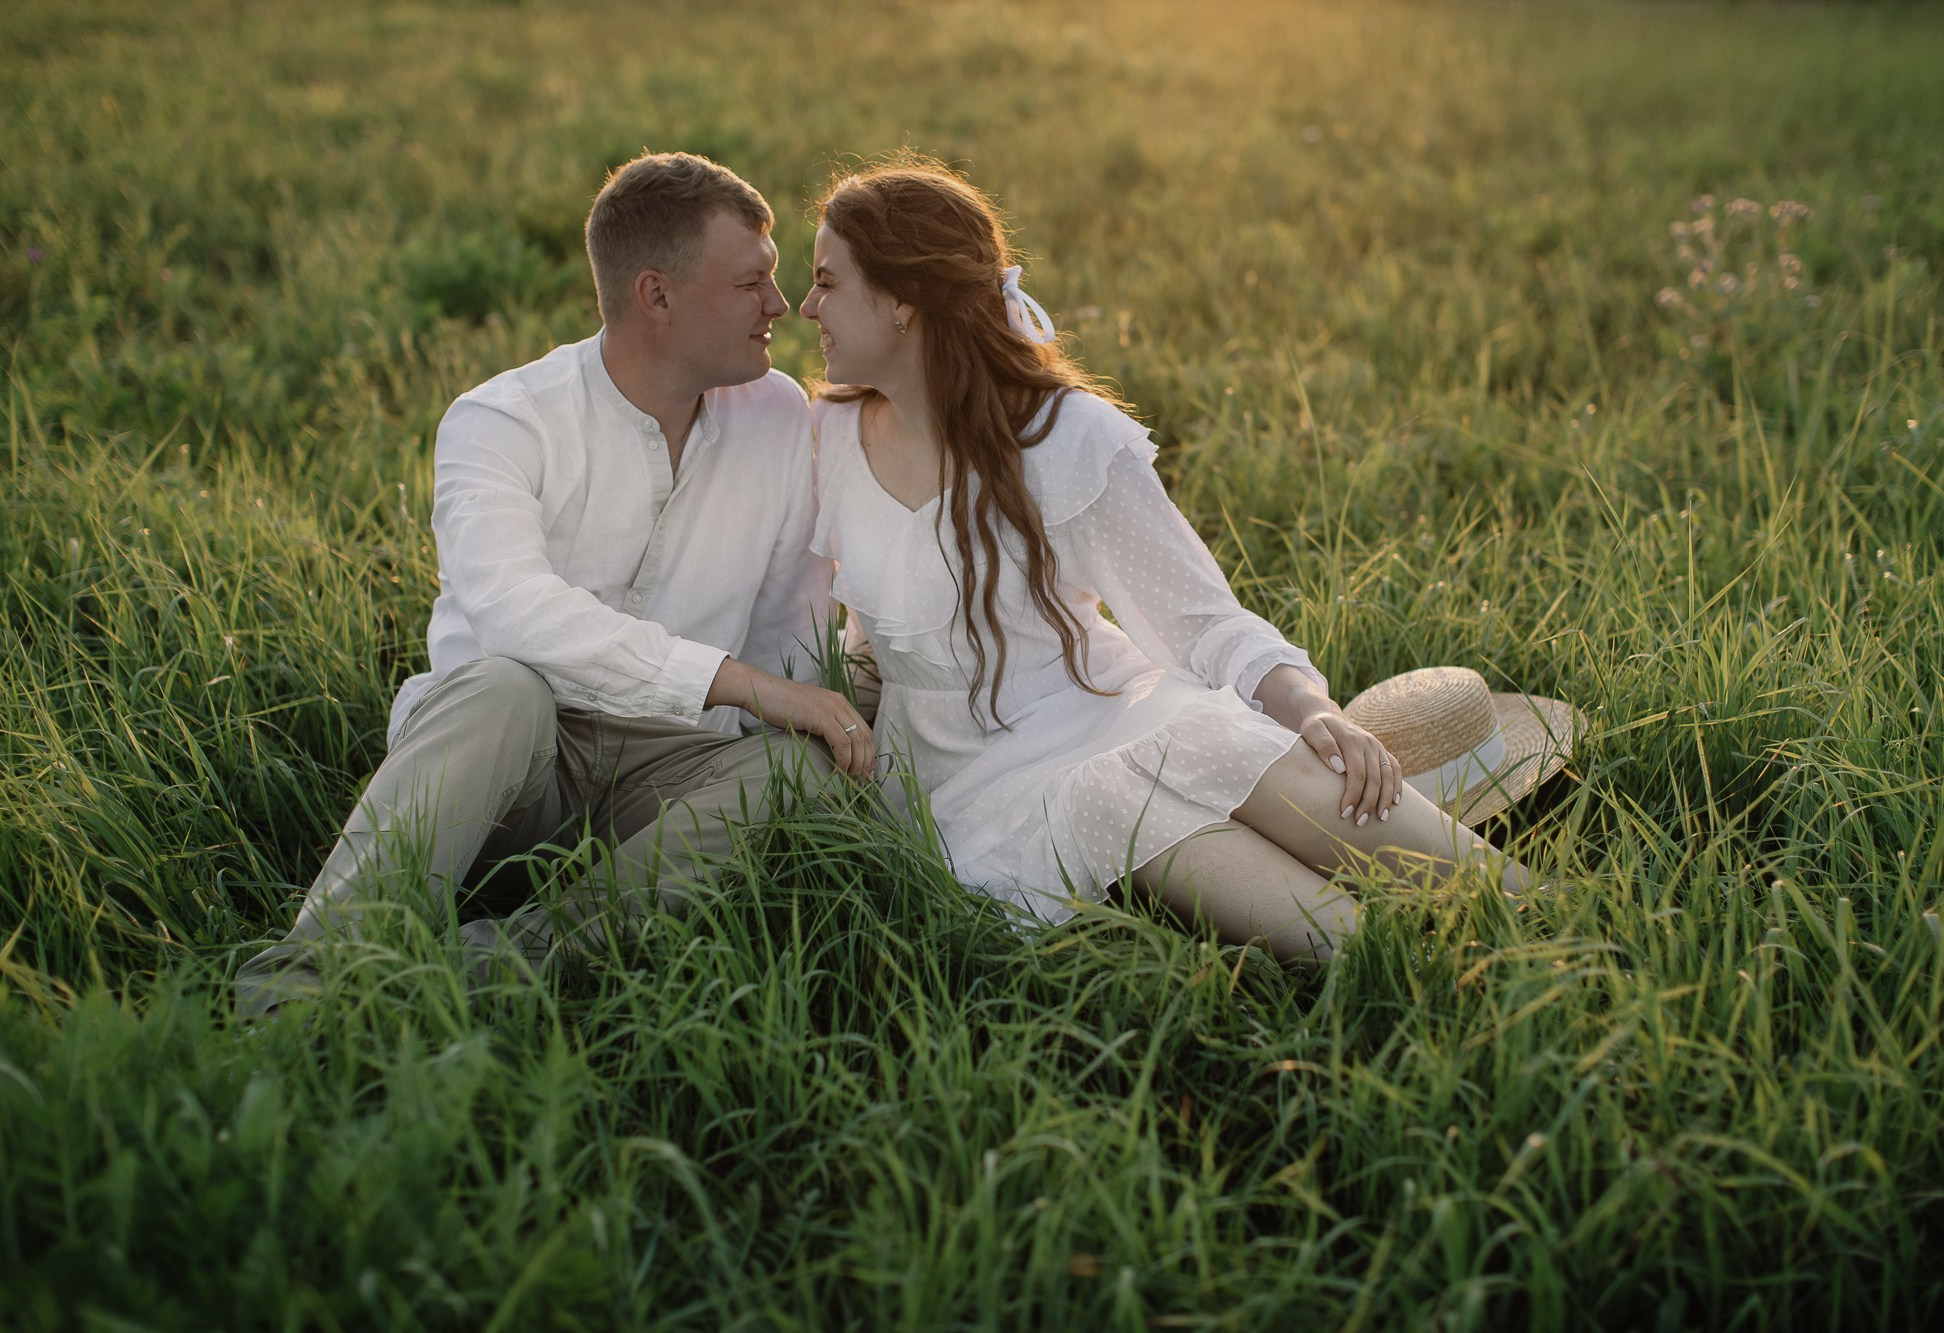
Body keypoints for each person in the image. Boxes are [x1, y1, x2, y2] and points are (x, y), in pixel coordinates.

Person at [800, 160, 1540, 958]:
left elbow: (1203, 620)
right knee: (1125, 800)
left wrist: (1314, 709)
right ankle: (1396, 963)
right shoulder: (824, 440)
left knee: (1205, 737)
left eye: (826, 282)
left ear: (904, 302)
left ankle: (1543, 916)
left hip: (1099, 703)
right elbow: (850, 636)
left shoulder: (1064, 439)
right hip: (964, 779)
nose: (806, 307)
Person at [236, 152, 872, 1019]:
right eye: (752, 282)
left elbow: (785, 636)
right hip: (504, 764)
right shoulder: (502, 420)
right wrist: (744, 684)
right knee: (505, 685)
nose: (778, 306)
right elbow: (514, 615)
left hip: (662, 772)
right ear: (657, 296)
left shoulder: (778, 417)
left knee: (800, 769)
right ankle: (303, 987)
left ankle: (513, 962)